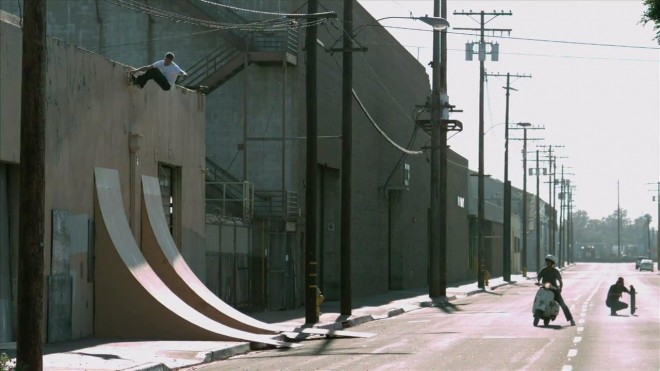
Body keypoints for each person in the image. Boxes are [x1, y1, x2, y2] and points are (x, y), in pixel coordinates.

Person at [537, 254, 576, 326]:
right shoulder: (543, 270)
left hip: (554, 289)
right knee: (538, 297)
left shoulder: (555, 271)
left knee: (562, 304)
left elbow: (560, 281)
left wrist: (560, 288)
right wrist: (538, 282)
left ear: (552, 263)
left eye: (550, 262)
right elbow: (539, 277)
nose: (548, 263)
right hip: (544, 288)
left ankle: (571, 320)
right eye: (547, 261)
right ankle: (538, 312)